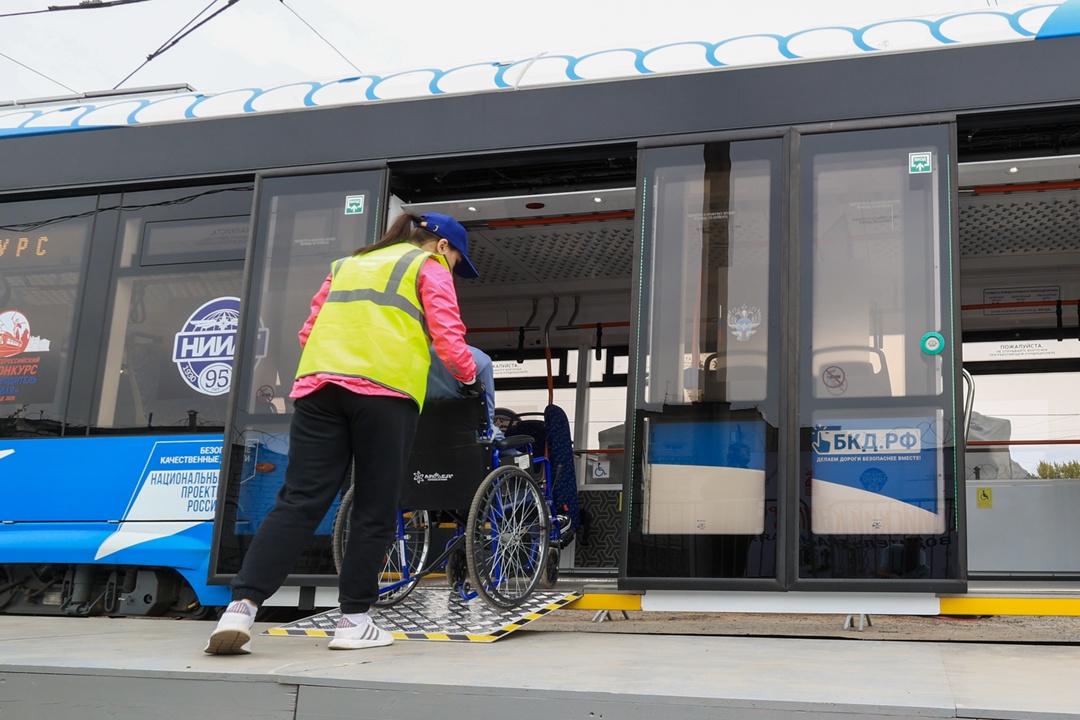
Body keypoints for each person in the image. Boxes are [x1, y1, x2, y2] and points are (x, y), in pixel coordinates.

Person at [205, 212, 483, 655]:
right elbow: (449, 338)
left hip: (319, 390)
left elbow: (307, 332)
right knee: (374, 506)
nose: (453, 269)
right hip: (386, 395)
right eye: (456, 261)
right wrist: (469, 378)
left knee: (299, 500)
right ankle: (353, 621)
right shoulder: (426, 266)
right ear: (442, 246)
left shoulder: (345, 265)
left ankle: (241, 607)